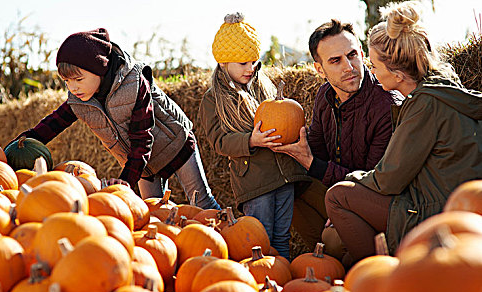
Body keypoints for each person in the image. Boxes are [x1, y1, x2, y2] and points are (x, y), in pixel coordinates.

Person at [324, 1, 482, 268]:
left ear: (396, 73)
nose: (371, 71)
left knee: (337, 196)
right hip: (454, 207)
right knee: (339, 238)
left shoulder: (424, 106)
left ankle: (381, 275)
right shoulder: (444, 85)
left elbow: (389, 180)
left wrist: (354, 178)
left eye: (374, 65)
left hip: (434, 215)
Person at [11, 28, 220, 210]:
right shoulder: (79, 98)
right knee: (152, 214)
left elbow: (142, 138)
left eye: (78, 79)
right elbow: (55, 122)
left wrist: (125, 180)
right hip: (141, 165)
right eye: (66, 81)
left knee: (202, 202)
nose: (72, 87)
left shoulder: (134, 84)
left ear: (99, 69)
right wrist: (24, 142)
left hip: (175, 145)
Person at [273, 19, 402, 254]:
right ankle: (322, 261)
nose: (349, 67)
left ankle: (351, 265)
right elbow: (319, 149)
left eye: (352, 55)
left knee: (333, 238)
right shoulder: (325, 96)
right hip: (339, 189)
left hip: (374, 200)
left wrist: (312, 164)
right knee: (286, 190)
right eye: (335, 60)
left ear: (362, 53)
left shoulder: (386, 105)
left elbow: (374, 182)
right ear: (319, 69)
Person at [198, 13, 311, 260]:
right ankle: (260, 283)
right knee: (259, 240)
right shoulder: (213, 100)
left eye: (253, 62)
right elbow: (218, 141)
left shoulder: (265, 87)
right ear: (224, 63)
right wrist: (251, 140)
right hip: (255, 182)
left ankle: (281, 282)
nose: (250, 69)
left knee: (282, 237)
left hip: (284, 176)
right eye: (242, 64)